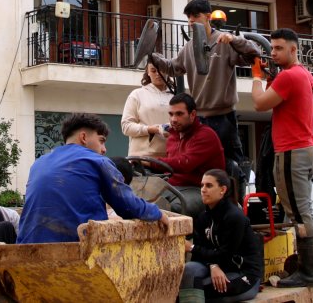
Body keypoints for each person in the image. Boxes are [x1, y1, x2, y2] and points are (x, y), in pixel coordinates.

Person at [151, 0, 260, 192]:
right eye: (188, 18)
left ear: (208, 17)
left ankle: (237, 205)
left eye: (195, 16)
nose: (191, 21)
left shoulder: (224, 41)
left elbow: (253, 54)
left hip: (224, 117)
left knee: (232, 164)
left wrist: (234, 39)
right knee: (203, 168)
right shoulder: (189, 47)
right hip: (200, 118)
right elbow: (173, 68)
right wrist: (153, 56)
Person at [18, 113, 167, 244]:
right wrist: (157, 213)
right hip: (77, 248)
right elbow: (127, 205)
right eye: (101, 141)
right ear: (83, 137)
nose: (104, 149)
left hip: (28, 245)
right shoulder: (96, 161)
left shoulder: (38, 163)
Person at [251, 28, 313, 286]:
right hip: (302, 148)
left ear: (293, 49)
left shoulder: (290, 76)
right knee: (305, 212)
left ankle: (306, 273)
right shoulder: (305, 76)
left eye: (279, 48)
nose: (273, 52)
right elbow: (278, 100)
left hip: (292, 150)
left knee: (300, 214)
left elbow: (259, 103)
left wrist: (256, 77)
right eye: (272, 47)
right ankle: (312, 272)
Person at [179, 169, 264, 302]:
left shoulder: (234, 217)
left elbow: (226, 255)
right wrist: (213, 265)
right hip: (217, 267)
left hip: (243, 274)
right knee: (189, 270)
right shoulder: (203, 218)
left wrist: (191, 247)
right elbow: (199, 255)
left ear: (222, 190)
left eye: (209, 185)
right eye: (202, 185)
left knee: (196, 290)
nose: (203, 189)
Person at [159, 93, 226, 215]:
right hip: (172, 187)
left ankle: (184, 234)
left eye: (179, 114)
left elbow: (185, 163)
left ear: (193, 115)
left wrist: (148, 161)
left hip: (201, 188)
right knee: (141, 202)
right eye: (171, 114)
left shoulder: (206, 135)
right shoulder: (172, 136)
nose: (173, 119)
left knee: (174, 209)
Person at [121, 63, 173, 158]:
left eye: (161, 70)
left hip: (171, 157)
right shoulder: (137, 94)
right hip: (142, 158)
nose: (158, 74)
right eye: (153, 70)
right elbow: (126, 126)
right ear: (148, 72)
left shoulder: (175, 96)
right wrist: (151, 129)